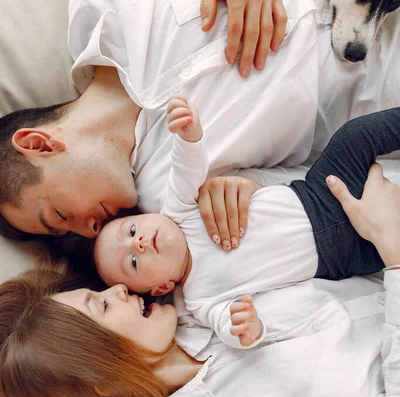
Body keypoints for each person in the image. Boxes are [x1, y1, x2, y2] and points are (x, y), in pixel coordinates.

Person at [1, 142, 400, 397]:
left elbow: (310, 205)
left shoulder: (176, 275)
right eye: (101, 304)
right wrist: (394, 253)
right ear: (99, 381)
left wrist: (252, 189)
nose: (118, 289)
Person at [1, 0, 400, 247]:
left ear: (38, 143)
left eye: (57, 216)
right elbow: (318, 184)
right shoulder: (172, 196)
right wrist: (257, 188)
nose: (88, 232)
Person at [93, 100, 398, 349]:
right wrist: (244, 328)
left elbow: (185, 171)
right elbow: (225, 323)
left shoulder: (178, 210)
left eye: (132, 231)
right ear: (161, 287)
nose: (140, 243)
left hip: (319, 191)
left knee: (355, 135)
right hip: (340, 253)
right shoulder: (201, 299)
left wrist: (189, 137)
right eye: (133, 261)